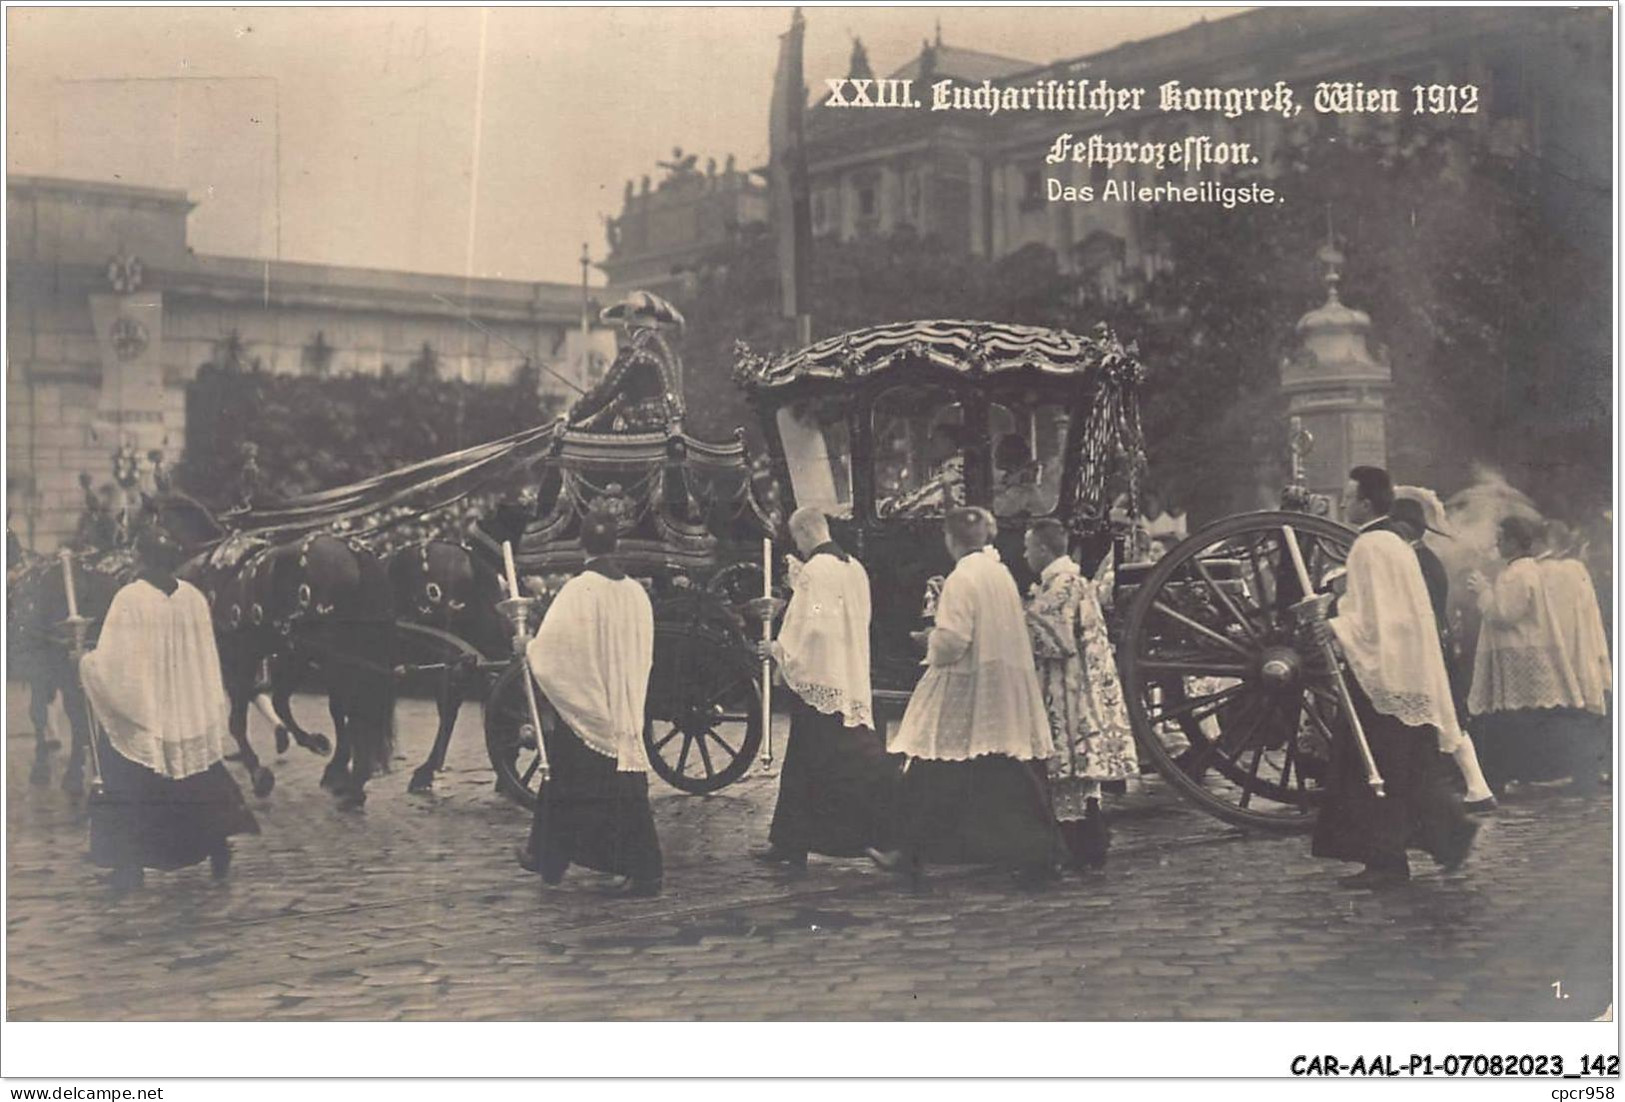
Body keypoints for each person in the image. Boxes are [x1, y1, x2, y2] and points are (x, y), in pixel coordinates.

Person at [1306, 467, 1477, 889]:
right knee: (1407, 767)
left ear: (1366, 503)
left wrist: (1335, 627)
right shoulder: (1395, 542)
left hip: (1382, 673)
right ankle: (1447, 836)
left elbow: (1375, 618)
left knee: (1373, 766)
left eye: (1348, 498)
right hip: (1405, 670)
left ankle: (1387, 859)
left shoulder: (1369, 545)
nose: (1343, 504)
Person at [870, 507, 1057, 889]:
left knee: (933, 758)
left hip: (967, 683)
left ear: (951, 540)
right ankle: (911, 849)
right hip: (1000, 680)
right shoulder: (999, 572)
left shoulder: (963, 578)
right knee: (988, 764)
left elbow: (954, 640)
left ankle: (910, 850)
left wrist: (929, 643)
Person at [79, 515, 260, 892]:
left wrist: (85, 662)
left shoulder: (130, 598)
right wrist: (203, 706)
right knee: (196, 780)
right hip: (186, 708)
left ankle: (129, 865)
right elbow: (207, 657)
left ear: (141, 558)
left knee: (126, 778)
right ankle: (216, 844)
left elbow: (117, 664)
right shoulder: (192, 598)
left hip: (148, 709)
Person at [516, 510, 662, 897]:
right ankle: (547, 855)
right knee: (567, 780)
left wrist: (528, 648)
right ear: (616, 543)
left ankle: (644, 869)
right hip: (623, 699)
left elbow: (557, 648)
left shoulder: (579, 590)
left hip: (591, 703)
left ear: (582, 545)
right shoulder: (635, 591)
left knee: (583, 783)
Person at [754, 506, 899, 871]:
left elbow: (815, 628)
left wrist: (779, 650)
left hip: (822, 675)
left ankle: (891, 836)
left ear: (803, 534)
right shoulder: (853, 567)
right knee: (803, 757)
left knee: (847, 760)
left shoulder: (816, 570)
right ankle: (789, 840)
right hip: (846, 670)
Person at [1022, 518, 1138, 871]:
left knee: (1068, 770)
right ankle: (1089, 842)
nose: (1025, 555)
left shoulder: (1061, 586)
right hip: (1081, 683)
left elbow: (1053, 638)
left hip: (1069, 688)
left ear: (1043, 549)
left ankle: (1081, 847)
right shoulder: (1074, 581)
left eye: (1028, 548)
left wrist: (1018, 619)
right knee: (1078, 779)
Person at [1389, 496, 1496, 812]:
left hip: (1428, 646)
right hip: (1433, 643)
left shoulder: (1419, 562)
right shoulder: (1425, 559)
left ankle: (1477, 788)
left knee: (1446, 715)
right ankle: (1477, 788)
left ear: (1404, 528)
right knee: (1445, 714)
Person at [1466, 515, 1581, 795]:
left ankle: (1527, 773)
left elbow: (1504, 614)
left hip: (1519, 652)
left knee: (1519, 718)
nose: (1497, 543)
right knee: (1521, 717)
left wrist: (1483, 590)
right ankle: (1527, 772)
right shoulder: (1522, 570)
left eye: (1501, 538)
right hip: (1518, 651)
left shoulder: (1519, 573)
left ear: (1516, 542)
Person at [1537, 520, 1611, 792]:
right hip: (1582, 645)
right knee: (1586, 705)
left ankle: (1580, 769)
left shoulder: (1554, 571)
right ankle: (1589, 769)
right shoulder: (1573, 569)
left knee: (1573, 708)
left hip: (1565, 646)